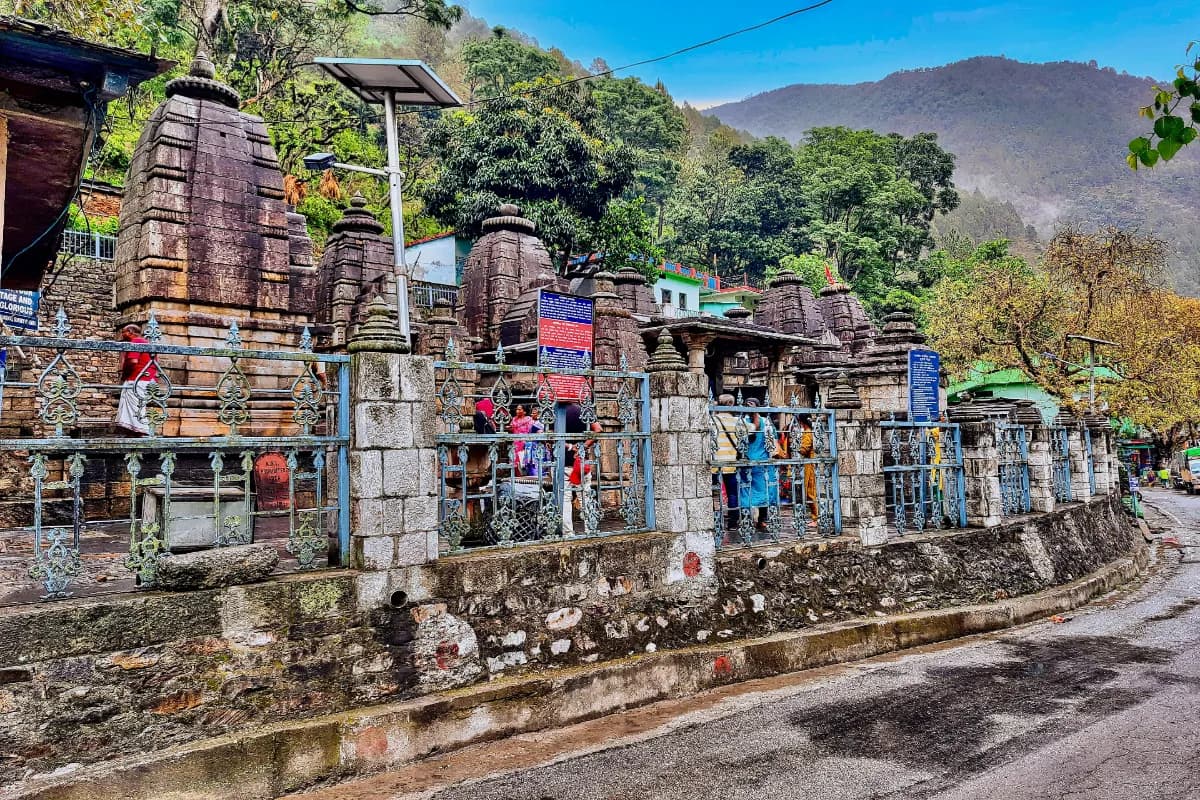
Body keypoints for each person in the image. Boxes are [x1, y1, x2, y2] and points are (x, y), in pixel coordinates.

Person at [561, 401, 602, 535]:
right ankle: (590, 530)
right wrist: (582, 447)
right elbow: (598, 429)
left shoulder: (556, 411)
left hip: (562, 461)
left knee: (565, 498)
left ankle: (568, 534)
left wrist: (569, 446)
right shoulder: (584, 410)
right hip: (580, 461)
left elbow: (547, 435)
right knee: (585, 496)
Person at [738, 398, 777, 532]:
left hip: (746, 462)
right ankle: (762, 520)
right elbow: (773, 442)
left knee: (745, 490)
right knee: (764, 491)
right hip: (763, 462)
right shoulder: (766, 422)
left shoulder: (741, 422)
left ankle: (746, 519)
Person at [114, 323, 158, 436]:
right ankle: (133, 432)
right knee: (137, 406)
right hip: (149, 379)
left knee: (136, 407)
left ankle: (142, 431)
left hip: (137, 379)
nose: (122, 334)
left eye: (123, 332)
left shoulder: (136, 341)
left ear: (130, 332)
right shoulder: (147, 343)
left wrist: (125, 374)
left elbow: (133, 361)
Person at [711, 393, 741, 537]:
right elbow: (751, 428)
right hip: (730, 463)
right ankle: (733, 523)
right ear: (732, 405)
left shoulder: (712, 420)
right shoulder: (737, 421)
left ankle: (713, 520)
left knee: (712, 493)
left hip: (715, 463)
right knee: (732, 493)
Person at [794, 414, 818, 529]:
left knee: (810, 492)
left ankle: (816, 518)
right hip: (808, 464)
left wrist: (795, 445)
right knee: (809, 492)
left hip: (809, 465)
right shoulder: (809, 431)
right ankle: (815, 517)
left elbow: (804, 449)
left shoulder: (808, 432)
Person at [509, 404, 536, 475]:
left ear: (524, 412)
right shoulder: (514, 419)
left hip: (525, 442)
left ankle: (527, 474)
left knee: (525, 459)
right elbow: (512, 428)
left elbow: (530, 430)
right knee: (515, 459)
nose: (517, 411)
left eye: (519, 409)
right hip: (516, 442)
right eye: (517, 409)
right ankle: (517, 476)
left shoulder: (528, 419)